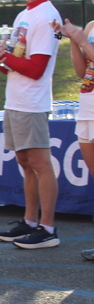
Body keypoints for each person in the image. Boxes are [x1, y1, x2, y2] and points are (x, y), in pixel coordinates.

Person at [0, 0, 62, 249]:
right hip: (16, 100)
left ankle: (47, 228)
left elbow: (36, 69)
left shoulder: (46, 15)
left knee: (40, 163)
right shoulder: (24, 15)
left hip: (32, 102)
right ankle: (30, 220)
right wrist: (0, 62)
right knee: (24, 161)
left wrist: (6, 58)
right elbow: (17, 62)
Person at [53, 14, 94, 260]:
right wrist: (72, 40)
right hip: (87, 106)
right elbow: (82, 71)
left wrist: (82, 40)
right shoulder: (90, 26)